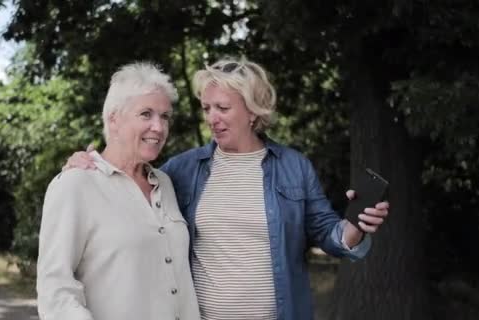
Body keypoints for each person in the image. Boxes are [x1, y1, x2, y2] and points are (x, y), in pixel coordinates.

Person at [65, 57, 390, 320]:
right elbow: (128, 189)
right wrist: (90, 165)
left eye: (223, 108)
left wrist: (355, 226)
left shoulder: (293, 167)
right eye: (207, 108)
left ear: (252, 111)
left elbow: (328, 233)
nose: (212, 118)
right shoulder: (182, 169)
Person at [37, 62, 200, 320]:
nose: (158, 127)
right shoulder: (75, 184)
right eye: (146, 114)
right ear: (114, 119)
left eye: (165, 116)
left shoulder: (165, 183)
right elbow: (55, 291)